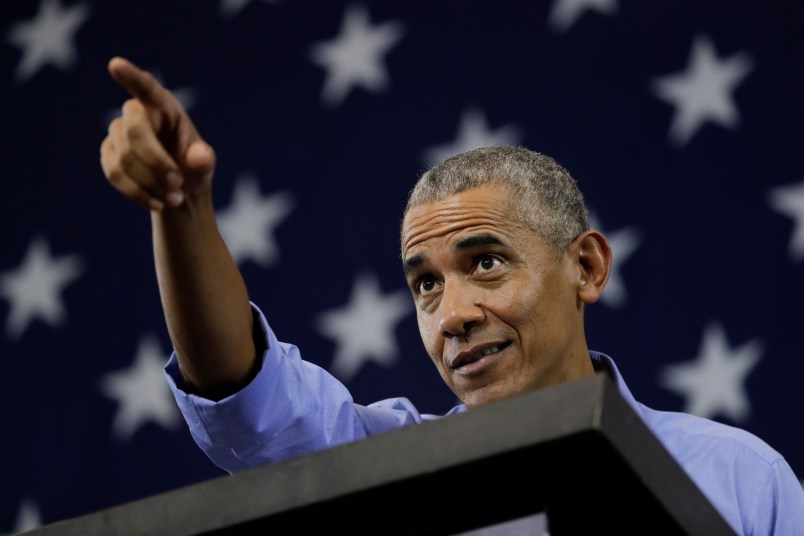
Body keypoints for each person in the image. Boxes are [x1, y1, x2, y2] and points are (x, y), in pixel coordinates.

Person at [100, 56, 803, 534]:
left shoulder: (739, 474)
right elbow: (247, 396)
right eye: (425, 285)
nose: (454, 315)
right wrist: (181, 208)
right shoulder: (387, 474)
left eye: (488, 263)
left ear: (586, 267)